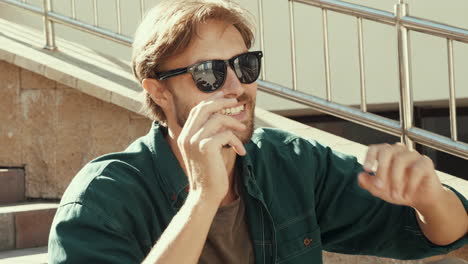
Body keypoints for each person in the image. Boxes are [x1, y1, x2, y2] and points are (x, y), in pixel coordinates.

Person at [48, 0, 468, 263]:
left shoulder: (292, 163)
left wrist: (429, 196)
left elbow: (441, 235)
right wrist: (202, 197)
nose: (236, 87)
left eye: (244, 65)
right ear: (158, 91)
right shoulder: (100, 200)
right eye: (208, 73)